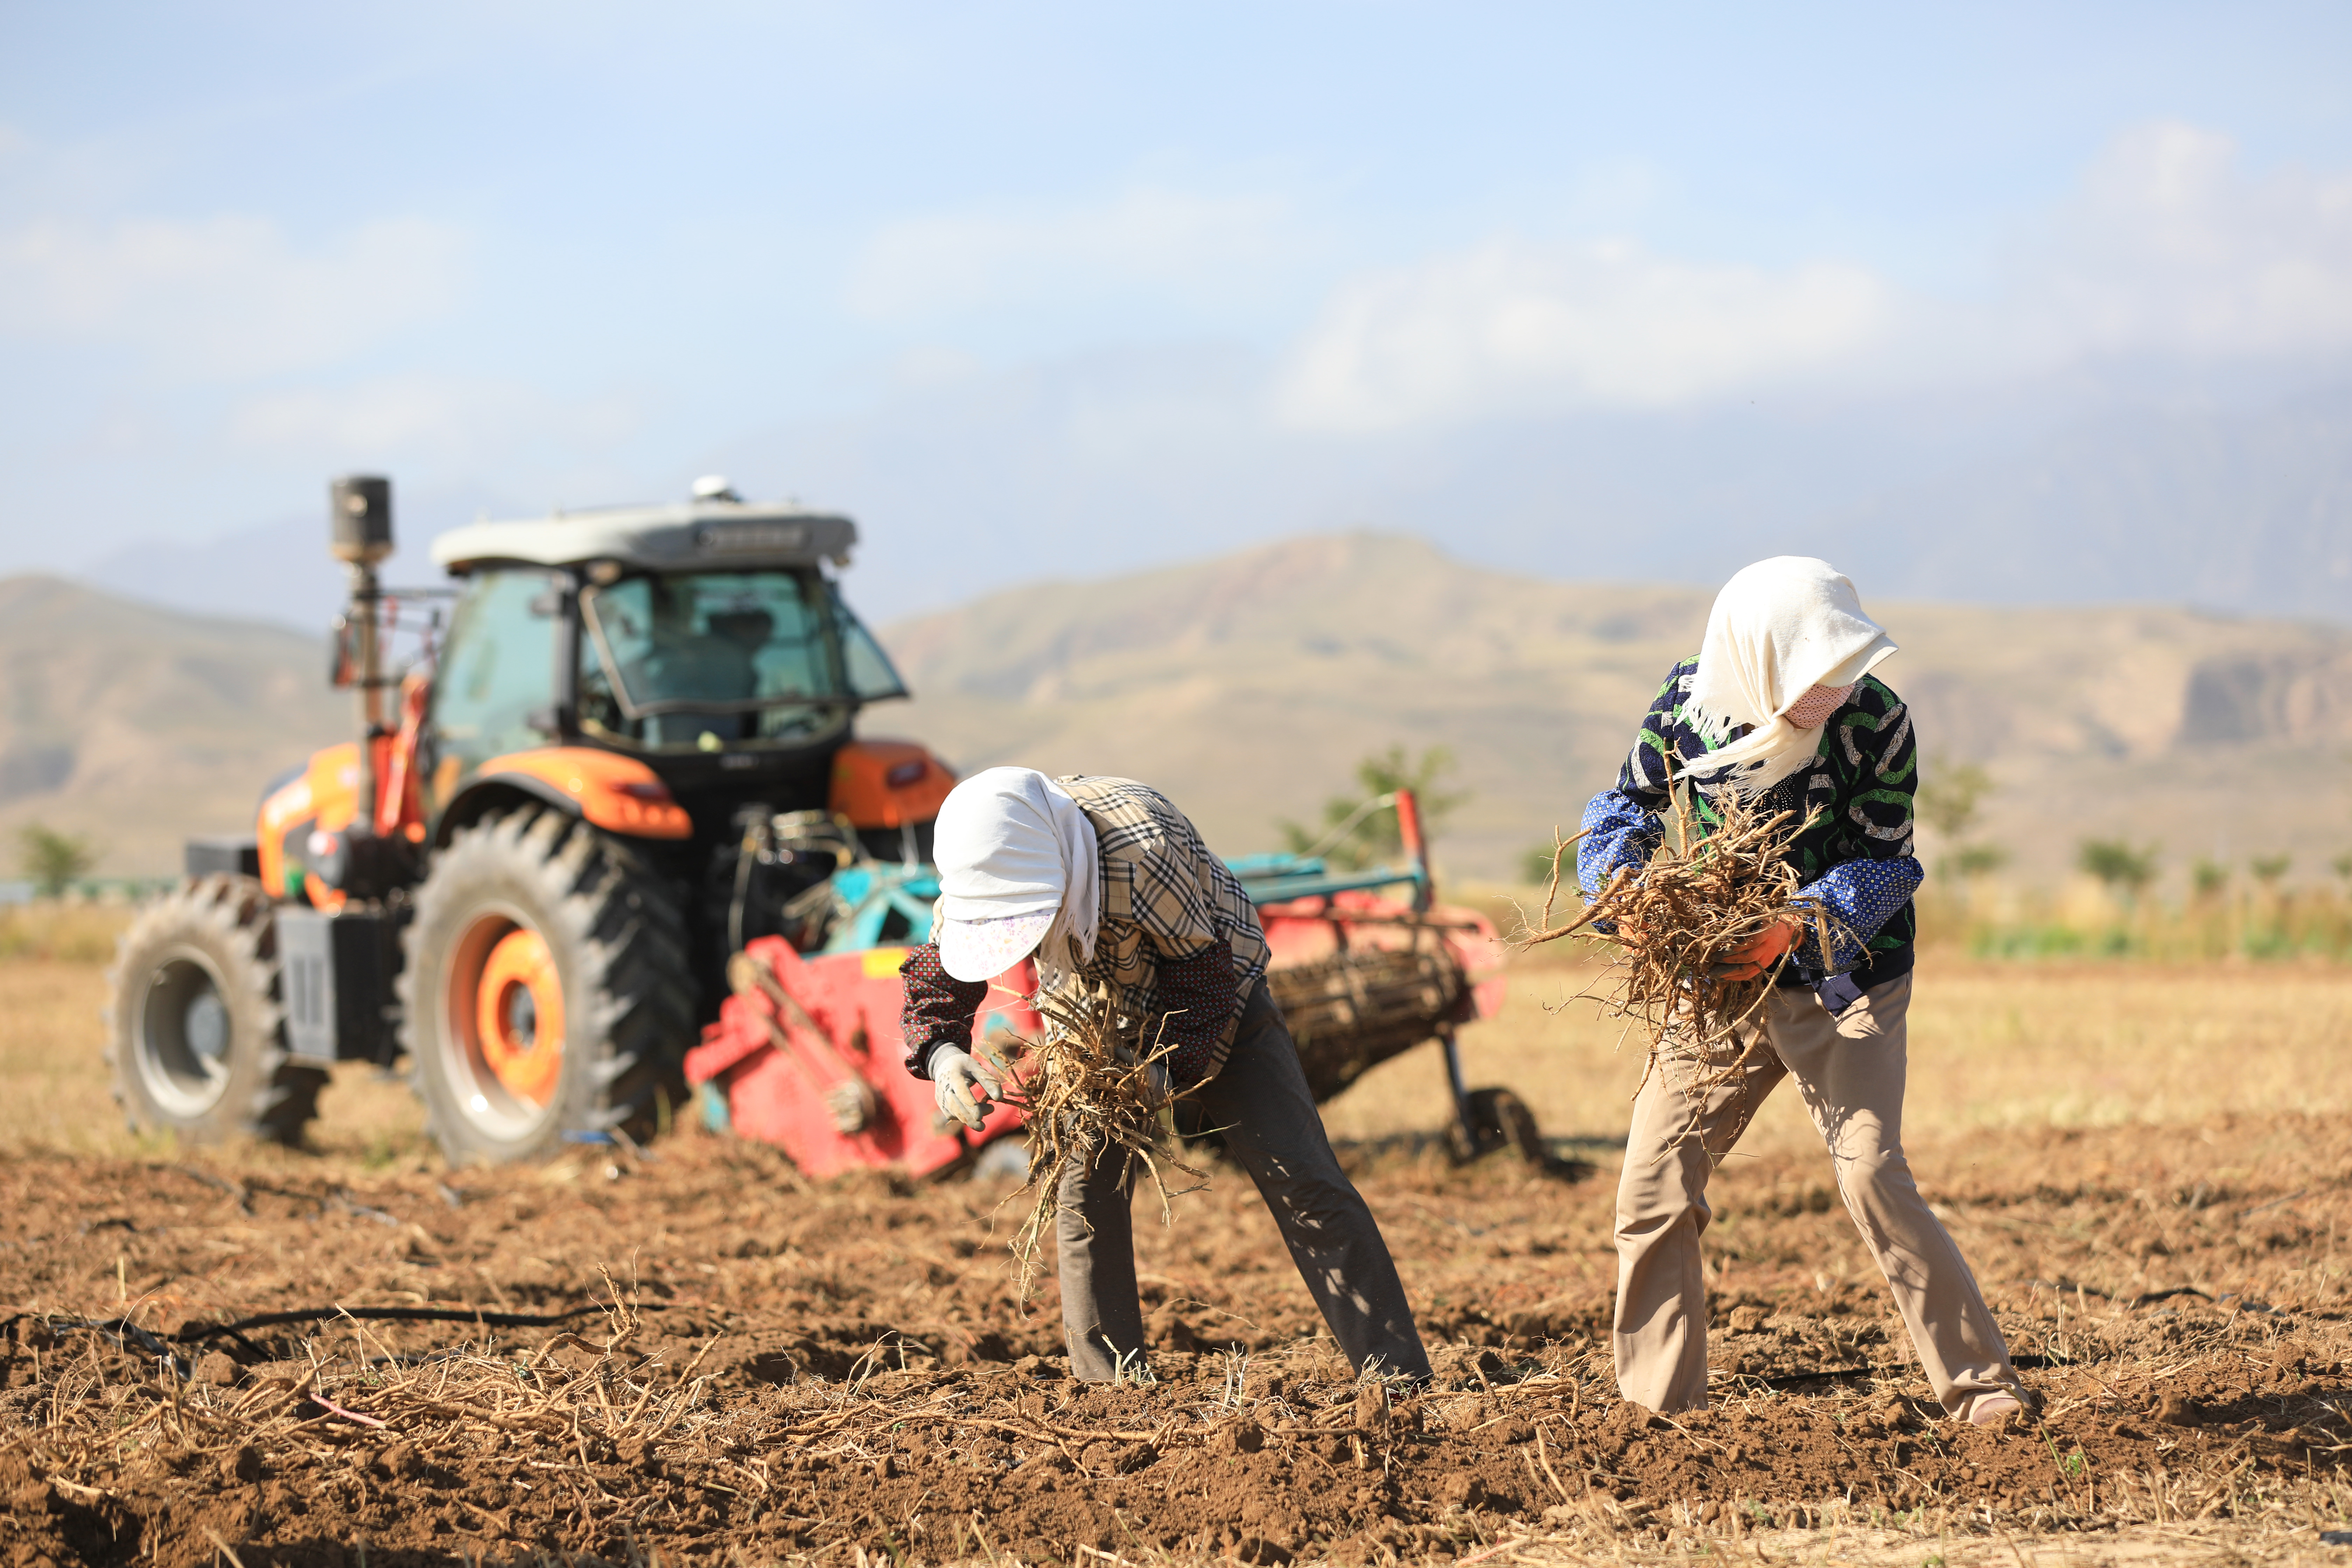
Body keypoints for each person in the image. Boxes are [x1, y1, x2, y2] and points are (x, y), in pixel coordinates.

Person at [1576, 556, 2028, 1425]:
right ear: (1756, 660)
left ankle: (1984, 1396)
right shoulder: (1689, 704)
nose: (1830, 691)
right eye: (1808, 676)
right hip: (1720, 985)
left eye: (1841, 670)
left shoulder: (1879, 721)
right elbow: (1624, 805)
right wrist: (1622, 885)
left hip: (1845, 979)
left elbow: (1887, 862)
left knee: (1871, 1174)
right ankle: (1659, 1415)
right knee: (1652, 1186)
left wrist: (1795, 924)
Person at [899, 768, 1432, 1385]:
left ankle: (1398, 1379)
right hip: (1092, 1010)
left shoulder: (1141, 848)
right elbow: (938, 977)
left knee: (1303, 1178)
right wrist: (942, 1055)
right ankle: (1112, 1390)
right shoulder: (982, 868)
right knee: (1085, 1194)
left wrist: (1167, 1070)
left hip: (1216, 992)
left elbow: (1204, 980)